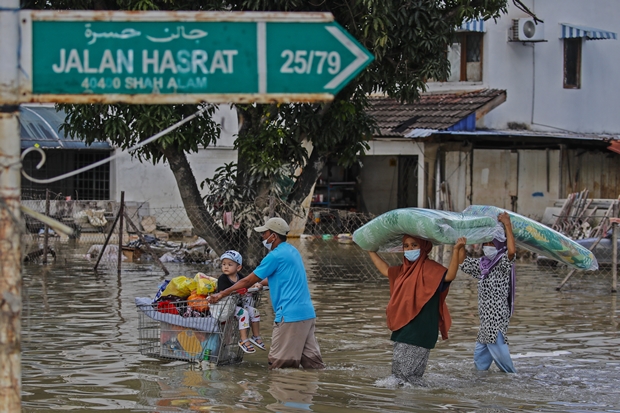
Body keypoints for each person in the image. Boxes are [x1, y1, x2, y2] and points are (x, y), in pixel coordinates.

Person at [208, 217, 325, 370]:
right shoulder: (292, 251)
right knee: (314, 367)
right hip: (307, 315)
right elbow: (280, 278)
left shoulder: (274, 256)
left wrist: (221, 294)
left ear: (273, 236)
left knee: (279, 367)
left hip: (289, 317)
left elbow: (247, 281)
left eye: (265, 233)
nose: (262, 237)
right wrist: (261, 284)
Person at [368, 235, 458, 384]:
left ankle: (414, 405)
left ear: (423, 247)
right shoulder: (403, 271)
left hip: (421, 331)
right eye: (406, 246)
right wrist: (371, 251)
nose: (410, 249)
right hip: (402, 330)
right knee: (399, 377)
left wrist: (457, 250)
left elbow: (449, 275)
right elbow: (385, 270)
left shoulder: (432, 269)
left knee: (407, 379)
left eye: (414, 245)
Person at [452, 212, 517, 373]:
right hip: (485, 322)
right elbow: (463, 263)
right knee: (479, 363)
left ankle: (515, 383)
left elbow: (511, 252)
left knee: (504, 363)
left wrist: (507, 225)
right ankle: (480, 385)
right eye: (486, 243)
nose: (488, 247)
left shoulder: (502, 264)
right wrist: (460, 246)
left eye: (492, 243)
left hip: (496, 321)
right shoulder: (483, 266)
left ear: (499, 245)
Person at [217, 250, 265, 354]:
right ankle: (243, 340)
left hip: (238, 305)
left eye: (230, 264)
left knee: (254, 312)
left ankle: (256, 336)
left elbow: (248, 284)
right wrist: (236, 291)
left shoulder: (241, 277)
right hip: (227, 307)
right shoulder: (222, 279)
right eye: (224, 264)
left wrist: (256, 285)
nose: (225, 267)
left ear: (238, 267)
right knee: (244, 313)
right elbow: (222, 293)